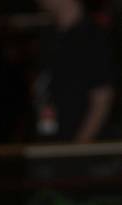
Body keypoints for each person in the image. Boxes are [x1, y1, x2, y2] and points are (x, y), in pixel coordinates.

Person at [35, 0, 115, 142]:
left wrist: (78, 148)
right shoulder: (50, 36)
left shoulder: (92, 37)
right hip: (51, 139)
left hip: (83, 150)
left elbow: (102, 98)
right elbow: (46, 92)